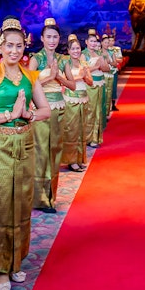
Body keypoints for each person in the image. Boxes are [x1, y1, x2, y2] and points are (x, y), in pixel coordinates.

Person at [0, 17, 51, 290]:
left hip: (25, 144)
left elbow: (46, 111)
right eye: (9, 45)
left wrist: (28, 114)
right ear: (0, 46)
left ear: (24, 48)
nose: (14, 50)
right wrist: (10, 115)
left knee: (20, 202)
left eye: (19, 46)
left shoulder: (30, 77)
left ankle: (15, 260)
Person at [28, 18, 72, 213]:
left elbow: (72, 84)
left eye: (55, 37)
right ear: (42, 38)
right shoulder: (35, 59)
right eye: (48, 37)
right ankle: (39, 198)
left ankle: (51, 196)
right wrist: (48, 78)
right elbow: (29, 86)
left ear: (59, 38)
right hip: (41, 109)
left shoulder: (63, 60)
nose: (52, 40)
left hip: (60, 108)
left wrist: (59, 77)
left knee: (55, 150)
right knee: (40, 152)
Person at [62, 34, 93, 172]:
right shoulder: (66, 64)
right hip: (71, 99)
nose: (76, 51)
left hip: (83, 98)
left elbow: (91, 82)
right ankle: (71, 160)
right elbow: (65, 81)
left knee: (81, 130)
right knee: (71, 130)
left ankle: (80, 158)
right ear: (68, 51)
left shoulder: (84, 64)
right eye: (73, 49)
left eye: (78, 48)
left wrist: (85, 75)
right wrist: (79, 76)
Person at [81, 30, 110, 148]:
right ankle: (87, 137)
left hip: (100, 83)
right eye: (91, 41)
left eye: (95, 42)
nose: (93, 44)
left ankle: (95, 138)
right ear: (86, 42)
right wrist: (97, 66)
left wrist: (102, 63)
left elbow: (107, 68)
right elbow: (83, 71)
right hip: (90, 84)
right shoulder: (83, 54)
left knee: (99, 110)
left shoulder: (99, 54)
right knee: (90, 111)